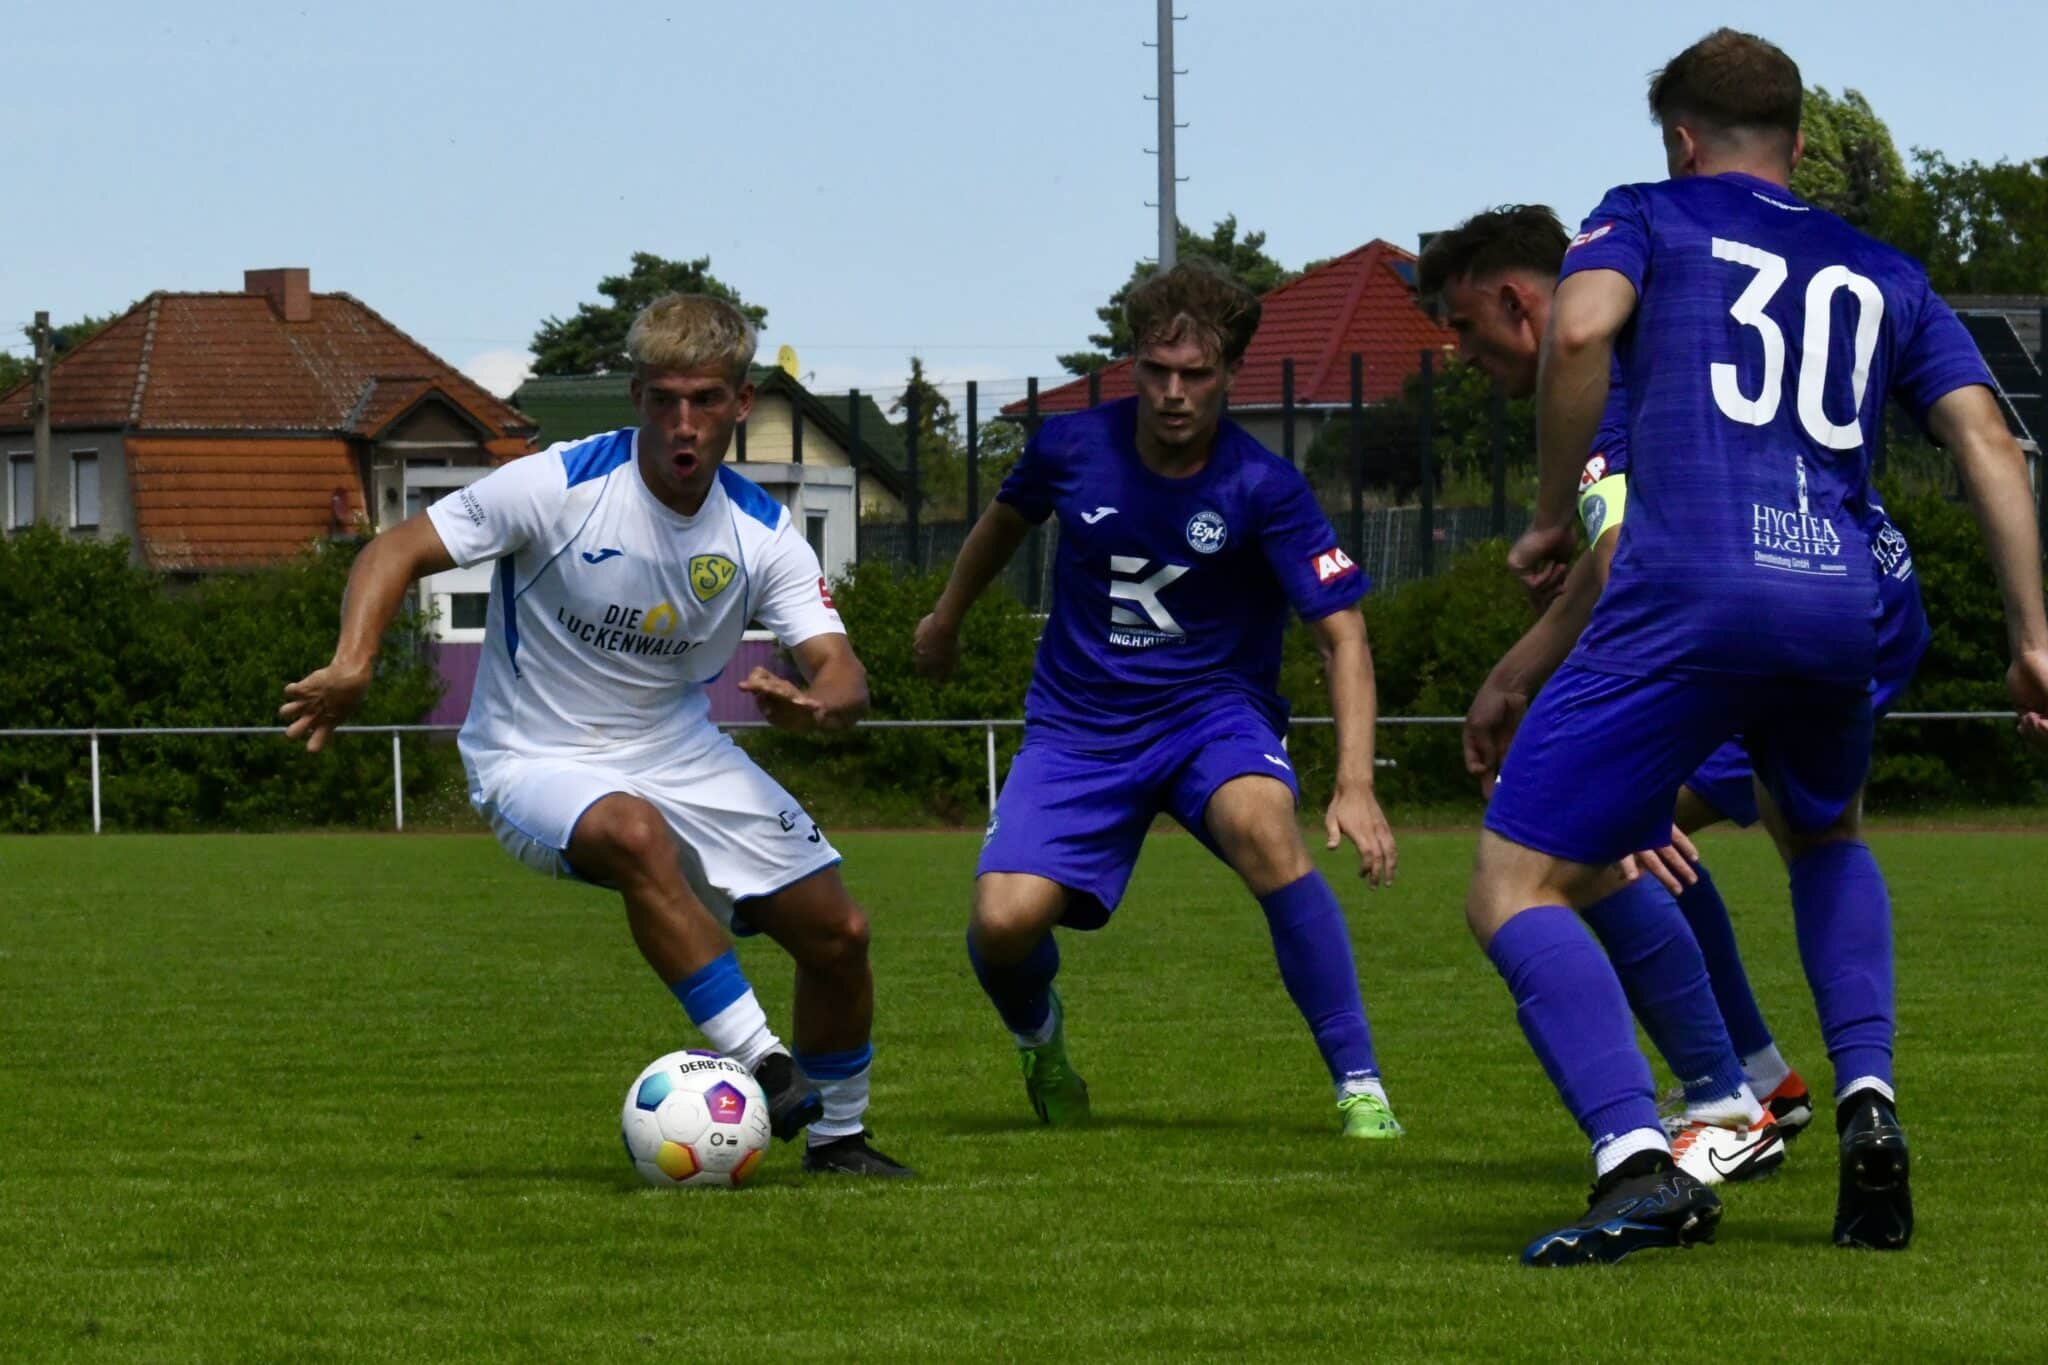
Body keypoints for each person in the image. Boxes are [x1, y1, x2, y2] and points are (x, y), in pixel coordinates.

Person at [1482, 29, 2048, 1264]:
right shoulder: (1880, 268)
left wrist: (1540, 511)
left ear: (1679, 140)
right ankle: (1864, 1102)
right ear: (1792, 146)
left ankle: (1642, 1157)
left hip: (1688, 589)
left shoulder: (1646, 214)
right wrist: (2031, 638)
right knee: (1824, 834)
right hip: (1838, 600)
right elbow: (1988, 445)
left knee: (1514, 885)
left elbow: (1575, 334)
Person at [281, 293, 912, 1178]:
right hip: (532, 755)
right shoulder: (558, 484)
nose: (682, 424)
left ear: (741, 401)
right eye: (662, 400)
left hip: (678, 750)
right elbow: (392, 552)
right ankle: (766, 1061)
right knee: (631, 830)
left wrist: (822, 703)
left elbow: (844, 670)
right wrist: (354, 661)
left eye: (703, 400)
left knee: (839, 931)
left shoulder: (763, 534)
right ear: (635, 395)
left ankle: (841, 1143)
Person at [1421, 203, 1941, 1184]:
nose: (1459, 353)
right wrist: (1516, 671)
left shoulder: (1606, 387)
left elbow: (1621, 559)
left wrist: (1533, 680)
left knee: (1566, 850)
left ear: (1514, 301)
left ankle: (1728, 1097)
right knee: (1631, 835)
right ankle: (1764, 1083)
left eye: (1460, 326)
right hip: (1848, 603)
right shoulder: (1664, 340)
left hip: (1773, 623)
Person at [913, 261, 1404, 1138]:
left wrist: (1356, 779)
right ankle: (1044, 1045)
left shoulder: (1265, 488)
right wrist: (946, 617)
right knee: (1000, 923)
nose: (1174, 394)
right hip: (1079, 726)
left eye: (1196, 376)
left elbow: (1343, 634)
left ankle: (1359, 1083)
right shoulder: (1070, 448)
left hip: (1211, 715)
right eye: (1156, 371)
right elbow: (999, 525)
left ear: (1229, 375)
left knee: (1264, 827)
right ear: (1132, 364)